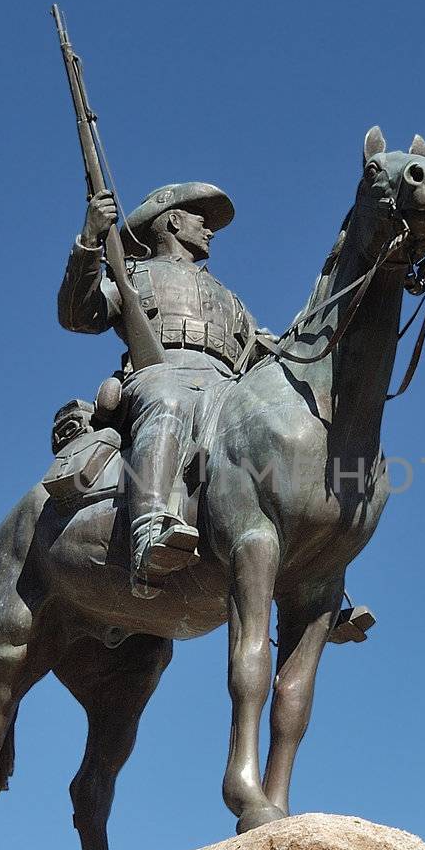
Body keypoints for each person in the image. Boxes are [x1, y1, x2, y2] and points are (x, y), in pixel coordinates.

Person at [56, 182, 259, 598]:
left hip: (224, 386)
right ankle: (148, 534)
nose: (210, 230)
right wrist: (90, 241)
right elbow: (78, 315)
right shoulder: (135, 275)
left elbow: (257, 349)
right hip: (160, 374)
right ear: (172, 220)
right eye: (201, 219)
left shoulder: (230, 298)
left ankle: (311, 567)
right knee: (169, 399)